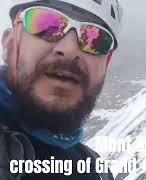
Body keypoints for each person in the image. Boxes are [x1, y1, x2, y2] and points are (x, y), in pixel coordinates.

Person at [0, 0, 123, 179]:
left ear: (106, 65)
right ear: (8, 43)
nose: (70, 50)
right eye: (46, 25)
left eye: (95, 40)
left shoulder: (95, 171)